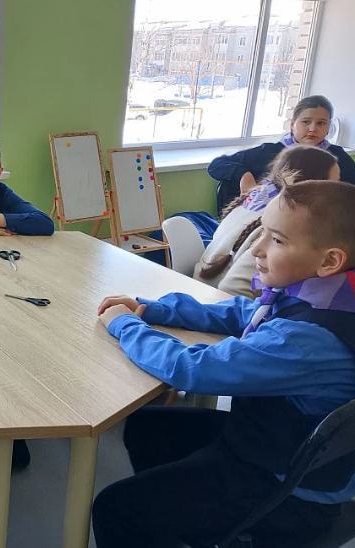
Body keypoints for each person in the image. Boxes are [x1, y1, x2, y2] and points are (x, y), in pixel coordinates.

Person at [92, 180, 355, 548]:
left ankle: (195, 522)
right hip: (283, 449)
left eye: (277, 240)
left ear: (329, 261)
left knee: (116, 508)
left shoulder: (304, 340)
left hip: (286, 492)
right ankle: (181, 523)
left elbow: (192, 369)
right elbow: (247, 311)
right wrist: (153, 309)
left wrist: (125, 325)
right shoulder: (333, 296)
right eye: (262, 232)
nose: (258, 248)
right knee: (147, 427)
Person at [194, 144, 339, 297]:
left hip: (200, 285)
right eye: (334, 183)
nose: (337, 190)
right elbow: (233, 289)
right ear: (312, 183)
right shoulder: (278, 222)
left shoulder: (257, 197)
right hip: (215, 299)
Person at [209, 95, 355, 196]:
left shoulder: (337, 156)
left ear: (328, 128)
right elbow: (216, 165)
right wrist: (244, 176)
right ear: (293, 125)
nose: (312, 129)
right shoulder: (270, 151)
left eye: (321, 123)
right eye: (306, 122)